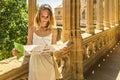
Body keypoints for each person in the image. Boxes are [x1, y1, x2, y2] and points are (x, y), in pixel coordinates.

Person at [12, 4, 66, 80]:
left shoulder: (54, 30)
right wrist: (18, 51)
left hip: (48, 63)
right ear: (38, 16)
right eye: (42, 16)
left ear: (50, 17)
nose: (45, 19)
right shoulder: (32, 29)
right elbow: (28, 47)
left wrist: (59, 49)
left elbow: (53, 48)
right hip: (35, 63)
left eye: (47, 17)